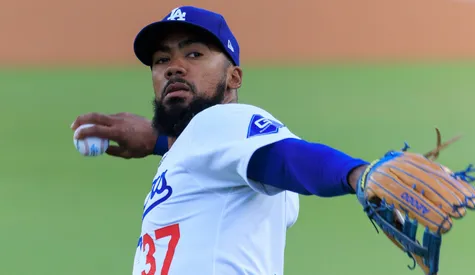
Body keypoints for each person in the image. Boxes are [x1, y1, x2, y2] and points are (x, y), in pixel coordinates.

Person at [71, 6, 369, 275]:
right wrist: (159, 141)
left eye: (194, 54)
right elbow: (223, 155)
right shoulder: (207, 149)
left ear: (234, 77)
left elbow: (287, 159)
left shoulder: (221, 121)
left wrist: (359, 175)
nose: (174, 67)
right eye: (162, 59)